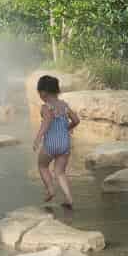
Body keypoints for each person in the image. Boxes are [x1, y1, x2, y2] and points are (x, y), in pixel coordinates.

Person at [33, 74, 80, 208]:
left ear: (43, 92)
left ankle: (50, 189)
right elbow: (76, 120)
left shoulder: (46, 107)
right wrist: (68, 127)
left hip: (51, 144)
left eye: (39, 92)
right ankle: (69, 199)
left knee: (42, 166)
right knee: (60, 172)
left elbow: (46, 123)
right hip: (65, 144)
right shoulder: (64, 105)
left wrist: (37, 138)